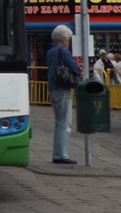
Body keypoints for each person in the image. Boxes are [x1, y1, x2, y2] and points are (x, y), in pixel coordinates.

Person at [47, 24, 82, 165]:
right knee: (65, 122)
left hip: (52, 87)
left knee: (58, 122)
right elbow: (75, 68)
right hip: (62, 88)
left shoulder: (50, 51)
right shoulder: (63, 51)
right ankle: (61, 155)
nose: (69, 41)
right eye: (68, 39)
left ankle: (57, 153)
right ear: (63, 39)